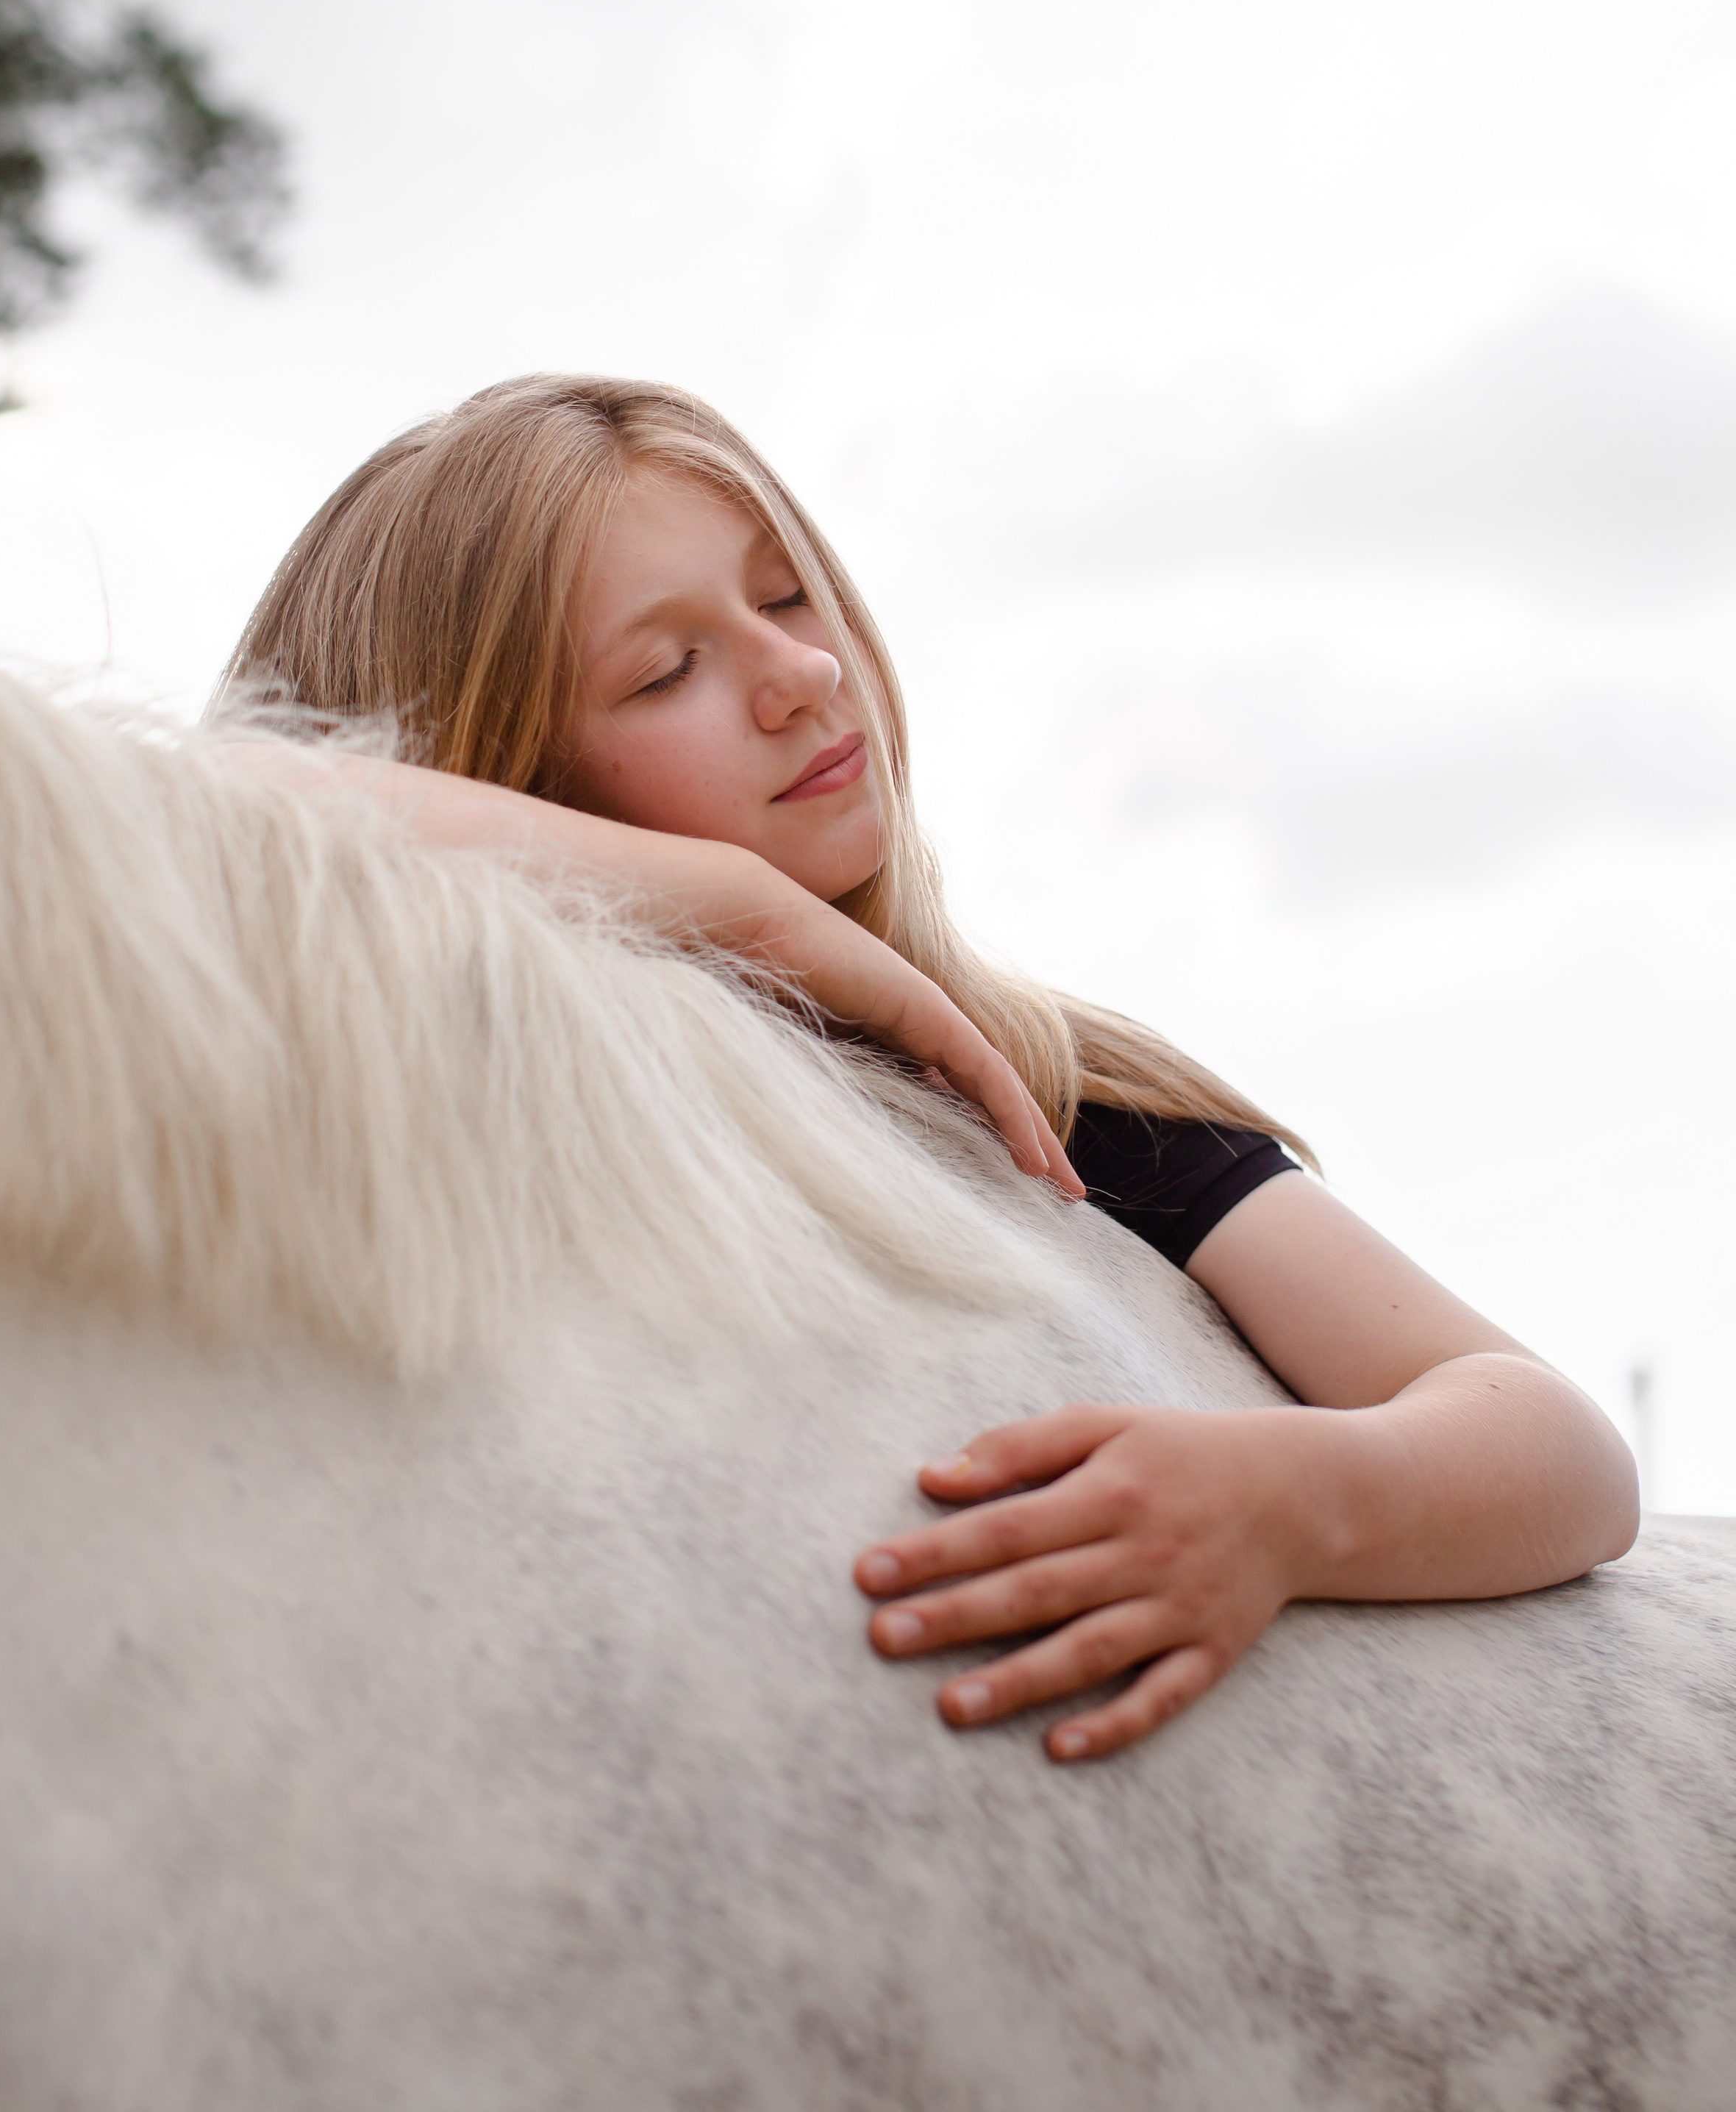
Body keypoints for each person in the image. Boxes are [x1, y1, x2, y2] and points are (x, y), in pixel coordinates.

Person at [221, 373, 1638, 1762]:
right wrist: (738, 908)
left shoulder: (1057, 1090)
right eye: (666, 670)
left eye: (786, 596)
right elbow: (225, 798)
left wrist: (1292, 1498)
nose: (801, 674)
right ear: (503, 776)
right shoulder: (432, 1105)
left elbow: (1561, 1452)